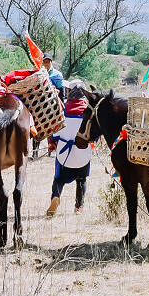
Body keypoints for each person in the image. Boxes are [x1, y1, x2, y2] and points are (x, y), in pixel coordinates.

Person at [47, 84, 91, 217]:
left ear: (70, 92)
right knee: (81, 179)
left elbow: (53, 132)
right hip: (83, 153)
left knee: (59, 179)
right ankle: (79, 207)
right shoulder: (88, 111)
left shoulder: (62, 109)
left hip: (64, 153)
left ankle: (56, 196)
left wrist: (52, 144)